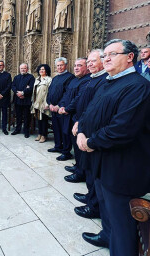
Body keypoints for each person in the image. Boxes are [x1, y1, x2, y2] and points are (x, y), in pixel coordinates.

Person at [77, 39, 150, 255]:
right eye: (104, 55)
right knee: (108, 212)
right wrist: (81, 128)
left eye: (112, 54)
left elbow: (122, 129)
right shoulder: (110, 81)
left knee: (122, 224)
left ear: (130, 57)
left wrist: (90, 142)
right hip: (103, 162)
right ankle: (106, 236)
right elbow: (91, 111)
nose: (106, 58)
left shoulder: (138, 86)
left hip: (122, 168)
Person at [65, 50, 107, 223]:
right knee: (88, 170)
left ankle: (94, 205)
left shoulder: (103, 80)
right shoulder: (94, 78)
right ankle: (91, 197)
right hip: (82, 126)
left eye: (92, 61)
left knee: (93, 171)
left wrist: (81, 123)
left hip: (90, 132)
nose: (89, 64)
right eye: (87, 61)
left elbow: (94, 108)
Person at [58, 58, 90, 162]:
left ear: (87, 67)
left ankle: (80, 169)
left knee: (78, 141)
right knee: (69, 136)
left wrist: (67, 109)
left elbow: (79, 98)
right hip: (67, 113)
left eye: (79, 65)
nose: (76, 68)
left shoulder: (87, 80)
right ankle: (76, 165)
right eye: (75, 65)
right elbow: (66, 94)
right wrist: (62, 105)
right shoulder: (74, 80)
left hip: (76, 115)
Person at [46, 57, 74, 155]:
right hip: (53, 108)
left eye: (61, 65)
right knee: (56, 129)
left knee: (64, 130)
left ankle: (66, 151)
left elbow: (67, 94)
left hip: (62, 109)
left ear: (66, 65)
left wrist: (58, 105)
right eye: (57, 65)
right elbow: (49, 92)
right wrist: (49, 103)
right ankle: (58, 146)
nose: (59, 67)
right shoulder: (55, 78)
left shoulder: (70, 77)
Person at [11, 63, 35, 138]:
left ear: (27, 69)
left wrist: (23, 92)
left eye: (24, 68)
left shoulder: (31, 77)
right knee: (18, 116)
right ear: (19, 69)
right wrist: (17, 92)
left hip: (26, 100)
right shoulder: (16, 77)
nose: (23, 70)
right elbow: (13, 86)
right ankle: (17, 129)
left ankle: (26, 131)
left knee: (26, 116)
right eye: (21, 68)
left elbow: (31, 88)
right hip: (17, 99)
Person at [31, 64, 52, 143]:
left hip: (44, 102)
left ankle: (44, 135)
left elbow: (49, 92)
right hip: (36, 102)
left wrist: (47, 103)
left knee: (44, 119)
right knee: (38, 119)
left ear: (46, 71)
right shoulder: (37, 79)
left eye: (43, 69)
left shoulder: (49, 80)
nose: (41, 71)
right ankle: (39, 134)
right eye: (40, 69)